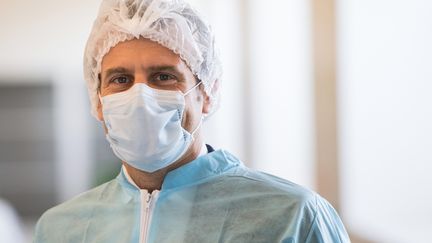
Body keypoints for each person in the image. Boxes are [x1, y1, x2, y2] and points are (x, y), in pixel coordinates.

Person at [34, 0, 350, 242]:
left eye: (163, 76)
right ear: (97, 100)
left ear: (207, 93)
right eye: (121, 79)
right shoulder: (61, 228)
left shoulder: (292, 216)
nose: (141, 95)